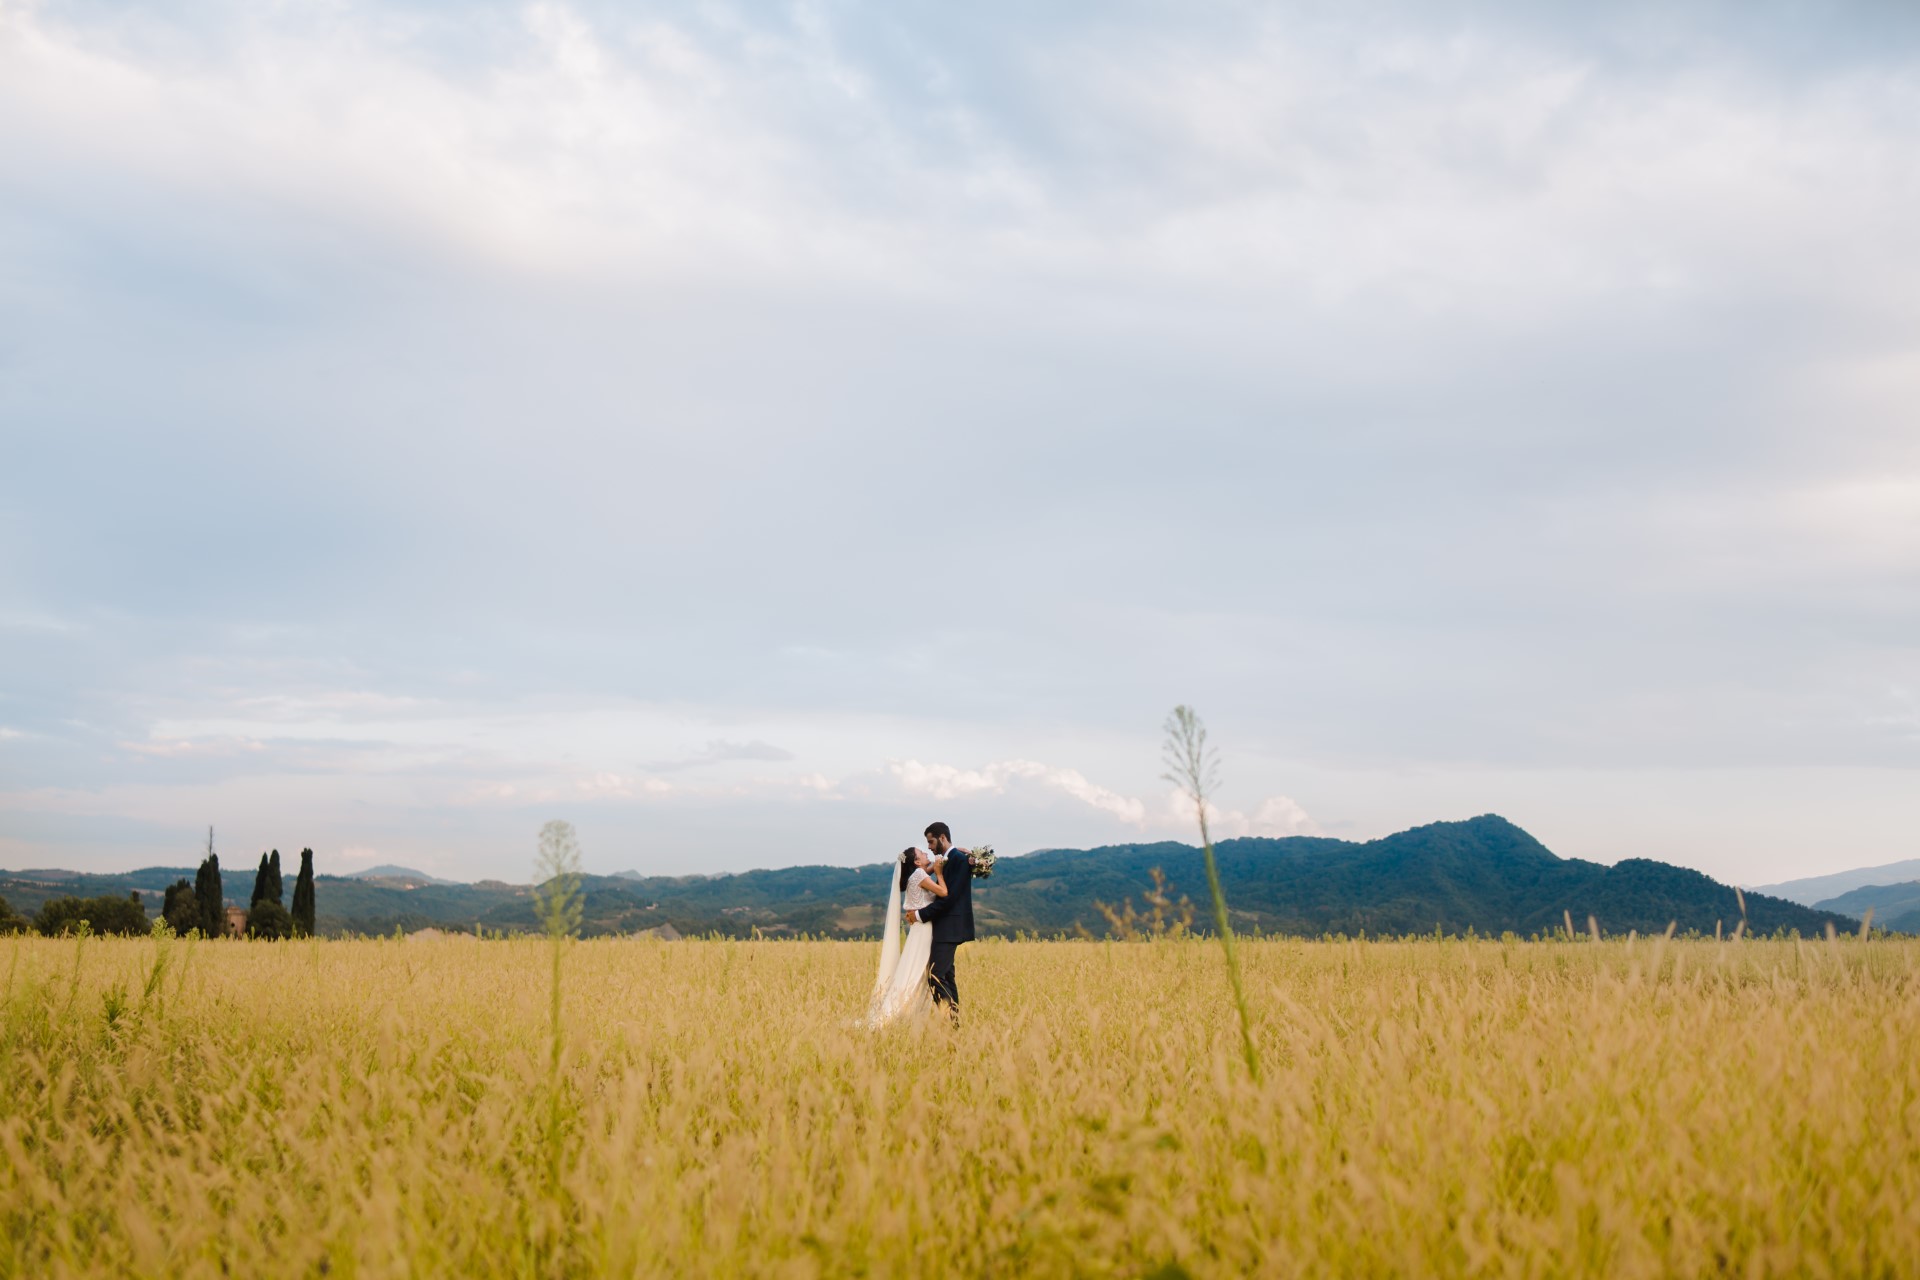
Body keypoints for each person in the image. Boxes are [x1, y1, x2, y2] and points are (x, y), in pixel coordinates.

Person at [867, 848, 946, 1027]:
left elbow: (932, 866)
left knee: (914, 969)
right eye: (922, 853)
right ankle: (895, 1015)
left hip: (920, 929)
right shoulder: (919, 875)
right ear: (917, 862)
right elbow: (943, 893)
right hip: (924, 931)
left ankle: (903, 1013)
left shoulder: (917, 874)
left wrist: (946, 858)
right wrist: (940, 874)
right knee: (916, 970)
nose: (927, 853)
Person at [906, 821, 972, 1020]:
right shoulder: (950, 859)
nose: (929, 846)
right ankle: (955, 1022)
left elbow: (949, 898)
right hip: (945, 927)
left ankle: (950, 1019)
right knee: (946, 976)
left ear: (943, 838)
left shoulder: (958, 859)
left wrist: (919, 915)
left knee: (935, 976)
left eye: (931, 841)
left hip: (950, 927)